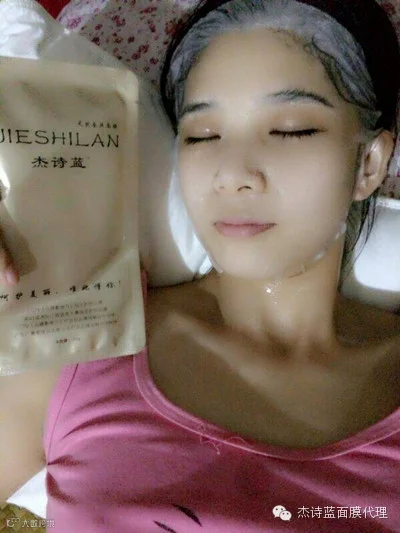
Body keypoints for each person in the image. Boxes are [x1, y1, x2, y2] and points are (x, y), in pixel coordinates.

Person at [1, 0, 400, 531]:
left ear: (369, 164)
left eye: (290, 130)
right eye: (202, 135)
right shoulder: (89, 332)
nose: (231, 174)